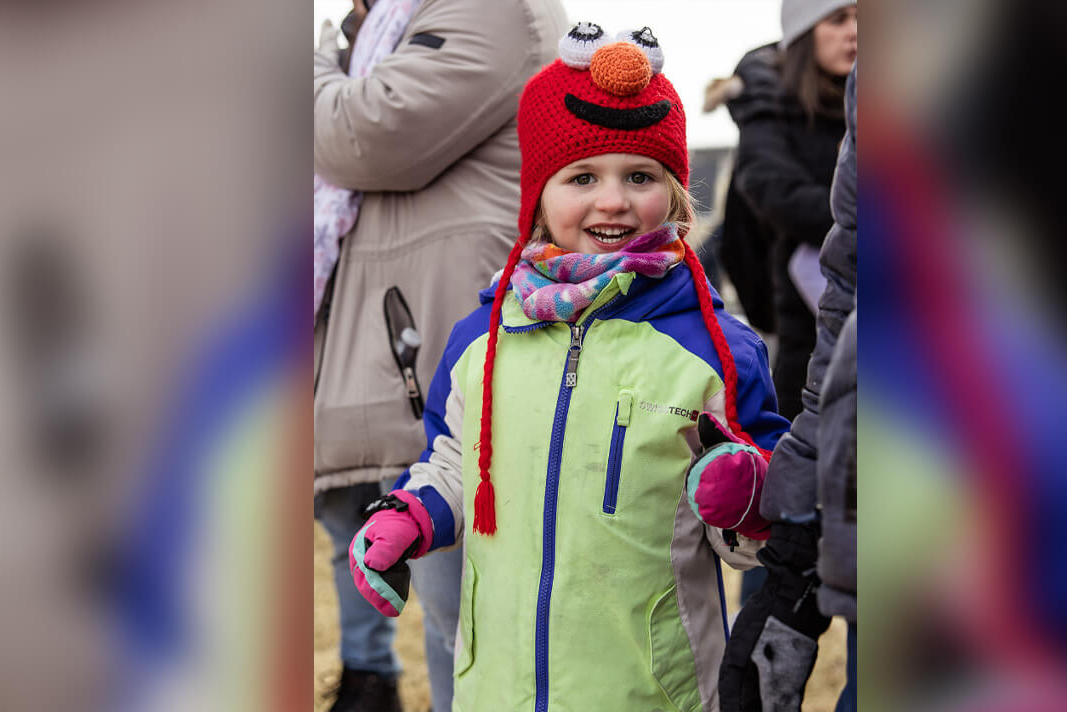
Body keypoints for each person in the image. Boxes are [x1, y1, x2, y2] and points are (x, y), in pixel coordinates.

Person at [343, 23, 791, 711]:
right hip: (499, 691)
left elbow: (757, 538)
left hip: (648, 693)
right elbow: (458, 464)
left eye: (640, 177)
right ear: (538, 198)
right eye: (583, 177)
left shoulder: (715, 350)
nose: (612, 200)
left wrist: (747, 501)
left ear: (673, 196)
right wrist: (409, 512)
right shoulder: (483, 340)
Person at [312, 0, 568, 710]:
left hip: (449, 350)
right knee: (438, 604)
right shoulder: (387, 24)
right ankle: (370, 677)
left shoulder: (495, 7)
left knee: (468, 623)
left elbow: (364, 134)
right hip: (401, 343)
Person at [718, 64, 856, 712]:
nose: (853, 28)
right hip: (803, 348)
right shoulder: (769, 122)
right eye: (833, 19)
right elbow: (845, 263)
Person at [722, 0, 857, 421]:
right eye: (838, 19)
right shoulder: (768, 105)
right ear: (803, 35)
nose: (856, 32)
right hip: (799, 316)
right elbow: (775, 192)